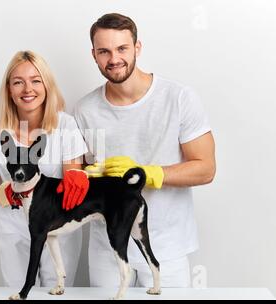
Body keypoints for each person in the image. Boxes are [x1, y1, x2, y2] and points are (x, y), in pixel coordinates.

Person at [73, 13, 216, 288]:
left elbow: (206, 168)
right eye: (104, 51)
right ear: (93, 55)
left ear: (137, 48)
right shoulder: (84, 110)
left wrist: (148, 173)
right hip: (107, 250)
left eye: (122, 48)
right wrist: (92, 175)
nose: (113, 59)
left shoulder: (178, 98)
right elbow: (77, 175)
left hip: (167, 247)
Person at [0, 51, 89, 288]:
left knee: (55, 293)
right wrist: (5, 192)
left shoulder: (65, 125)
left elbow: (71, 184)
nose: (28, 89)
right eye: (18, 82)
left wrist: (79, 177)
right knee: (20, 296)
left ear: (47, 85)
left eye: (36, 80)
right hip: (14, 229)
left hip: (57, 227)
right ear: (9, 89)